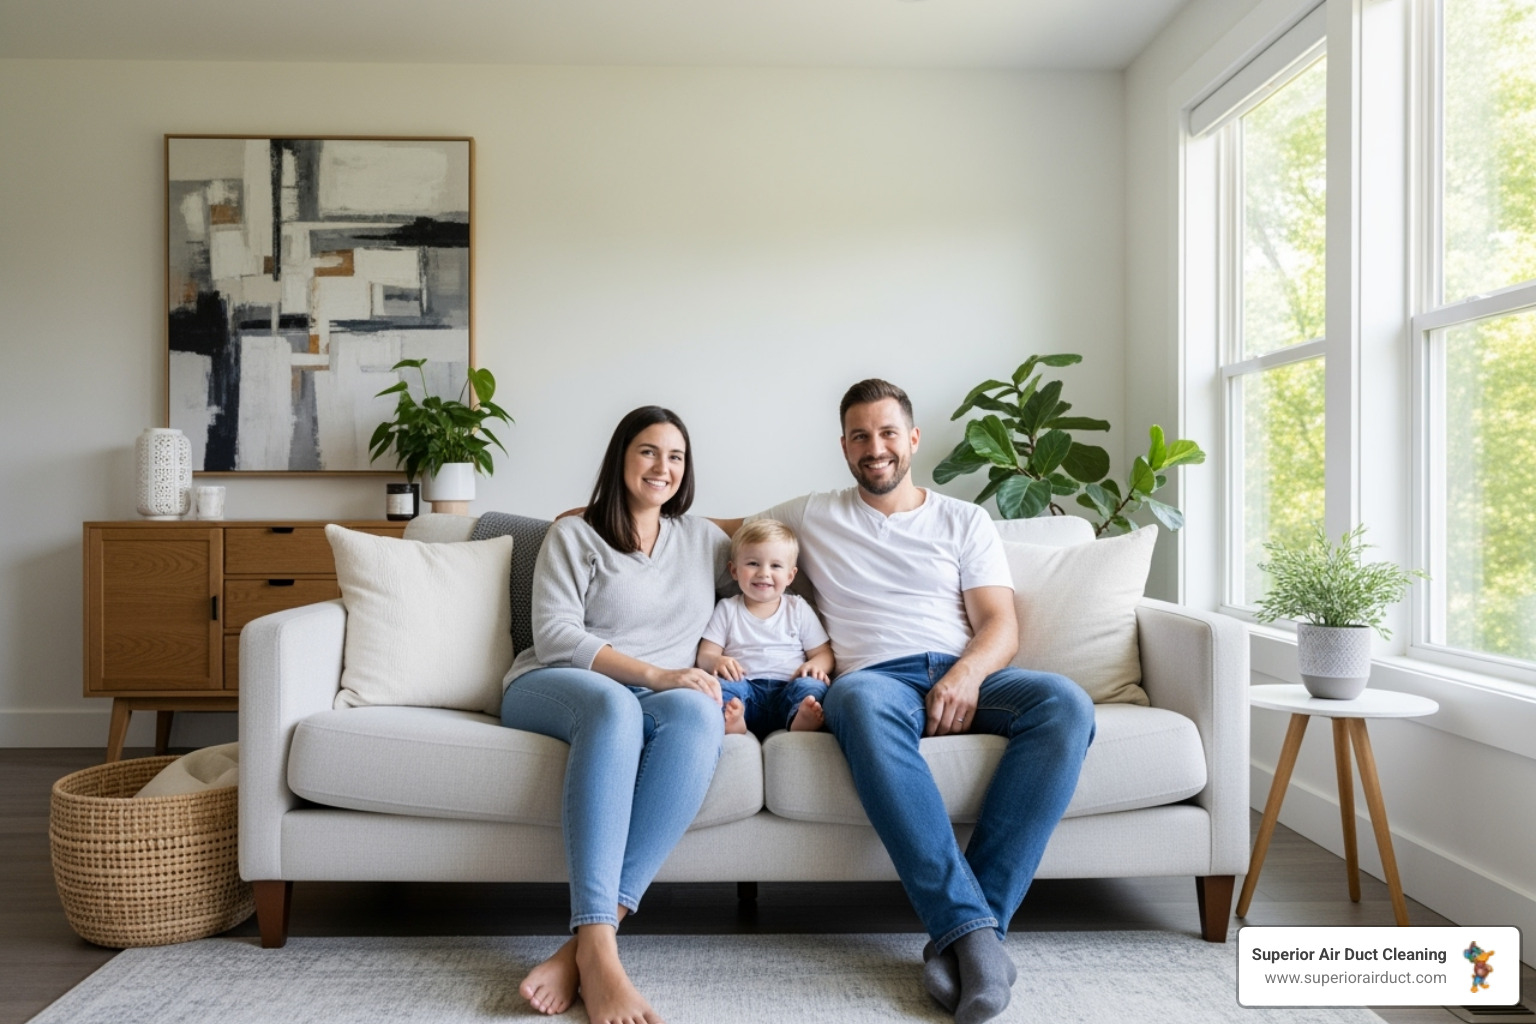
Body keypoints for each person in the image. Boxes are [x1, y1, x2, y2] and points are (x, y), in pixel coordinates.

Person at [744, 379, 1097, 1024]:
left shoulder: (964, 519)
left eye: (886, 433)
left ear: (911, 439)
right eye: (858, 436)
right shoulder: (813, 514)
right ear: (844, 446)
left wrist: (965, 674)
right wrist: (594, 514)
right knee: (855, 702)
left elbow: (1001, 625)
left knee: (1066, 704)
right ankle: (977, 940)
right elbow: (726, 532)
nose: (873, 448)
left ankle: (969, 933)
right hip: (874, 680)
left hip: (966, 672)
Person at [501, 406, 731, 1024]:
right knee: (614, 708)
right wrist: (655, 673)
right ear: (621, 459)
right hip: (557, 683)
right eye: (649, 452)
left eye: (676, 457)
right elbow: (552, 636)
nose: (663, 467)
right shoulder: (573, 535)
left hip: (658, 697)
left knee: (700, 716)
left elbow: (769, 568)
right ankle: (602, 959)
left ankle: (585, 948)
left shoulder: (706, 541)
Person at [695, 518, 834, 738]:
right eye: (753, 563)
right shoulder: (727, 609)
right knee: (722, 689)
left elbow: (823, 652)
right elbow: (705, 654)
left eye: (775, 566)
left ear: (790, 576)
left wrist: (817, 666)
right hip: (745, 688)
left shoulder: (797, 608)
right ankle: (735, 721)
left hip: (789, 688)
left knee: (812, 688)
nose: (764, 573)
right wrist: (716, 660)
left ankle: (800, 718)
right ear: (734, 570)